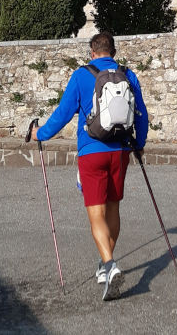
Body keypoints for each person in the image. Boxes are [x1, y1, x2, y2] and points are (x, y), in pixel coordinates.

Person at [29, 32, 148, 301]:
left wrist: (41, 134)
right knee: (114, 207)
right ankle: (106, 263)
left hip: (91, 152)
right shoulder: (128, 75)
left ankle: (109, 265)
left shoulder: (81, 75)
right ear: (113, 52)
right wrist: (139, 144)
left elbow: (62, 113)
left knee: (96, 213)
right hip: (120, 151)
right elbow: (141, 113)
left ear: (92, 52)